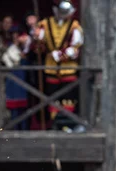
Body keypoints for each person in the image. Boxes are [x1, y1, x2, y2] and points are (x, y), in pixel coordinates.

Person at [37, 1, 83, 130]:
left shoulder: (74, 26)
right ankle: (55, 123)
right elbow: (39, 45)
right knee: (52, 98)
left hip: (68, 69)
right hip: (51, 67)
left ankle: (67, 124)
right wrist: (38, 41)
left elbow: (76, 47)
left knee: (69, 98)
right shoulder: (45, 24)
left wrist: (61, 55)